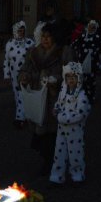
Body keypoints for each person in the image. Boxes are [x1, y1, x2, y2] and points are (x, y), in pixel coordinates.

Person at [19, 24, 75, 175]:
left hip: (55, 99)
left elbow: (71, 74)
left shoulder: (64, 52)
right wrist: (25, 77)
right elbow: (25, 69)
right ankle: (47, 159)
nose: (45, 39)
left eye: (48, 36)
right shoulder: (33, 53)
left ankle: (53, 163)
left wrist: (55, 80)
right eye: (43, 36)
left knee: (53, 134)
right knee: (40, 132)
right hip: (38, 98)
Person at [50, 62, 91, 185]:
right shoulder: (64, 92)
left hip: (75, 130)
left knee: (75, 153)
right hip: (62, 129)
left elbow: (80, 114)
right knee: (59, 152)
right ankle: (57, 176)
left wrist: (61, 117)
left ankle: (77, 175)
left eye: (74, 77)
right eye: (68, 77)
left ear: (78, 79)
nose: (71, 80)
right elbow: (59, 103)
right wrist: (56, 108)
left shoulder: (82, 96)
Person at [3, 21, 35, 129]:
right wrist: (6, 75)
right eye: (19, 30)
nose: (21, 32)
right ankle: (24, 116)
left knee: (24, 94)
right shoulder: (9, 44)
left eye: (23, 30)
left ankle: (20, 118)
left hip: (26, 73)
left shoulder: (30, 43)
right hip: (14, 74)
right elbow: (6, 60)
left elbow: (34, 59)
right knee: (18, 95)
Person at [71, 20, 101, 103]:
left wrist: (94, 52)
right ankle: (82, 97)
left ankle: (90, 97)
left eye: (93, 27)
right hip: (82, 61)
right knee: (81, 79)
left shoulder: (98, 37)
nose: (91, 28)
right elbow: (75, 44)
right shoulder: (83, 35)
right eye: (90, 26)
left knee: (91, 80)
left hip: (92, 63)